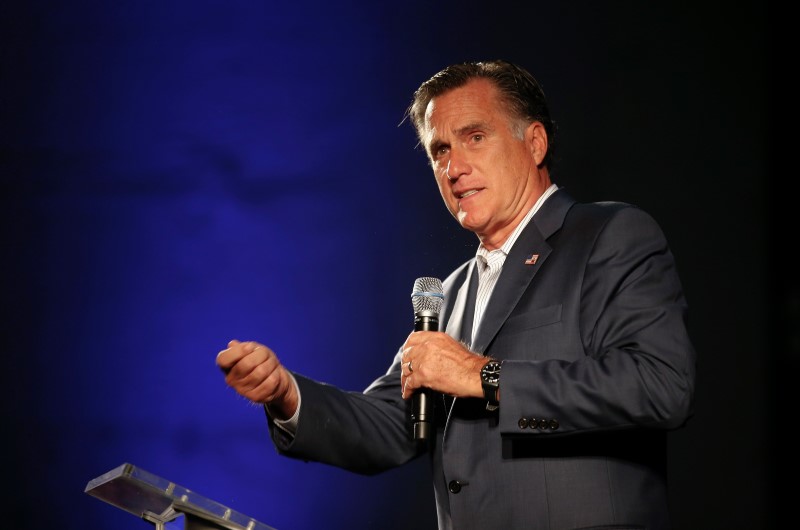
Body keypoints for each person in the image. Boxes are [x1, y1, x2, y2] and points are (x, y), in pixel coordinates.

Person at [216, 59, 696, 530]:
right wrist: (285, 395)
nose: (453, 167)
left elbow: (659, 386)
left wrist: (481, 374)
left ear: (534, 142)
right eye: (439, 150)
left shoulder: (607, 235)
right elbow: (391, 425)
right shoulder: (449, 293)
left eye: (475, 137)